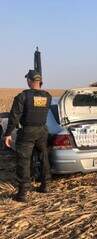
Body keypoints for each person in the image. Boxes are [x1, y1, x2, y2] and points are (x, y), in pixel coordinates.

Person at [3, 70, 52, 202]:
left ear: (30, 81)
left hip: (27, 132)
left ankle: (23, 193)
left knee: (23, 161)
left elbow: (14, 117)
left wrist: (7, 134)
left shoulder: (22, 96)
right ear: (40, 81)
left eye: (27, 80)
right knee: (43, 157)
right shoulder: (48, 96)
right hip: (42, 130)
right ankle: (45, 185)